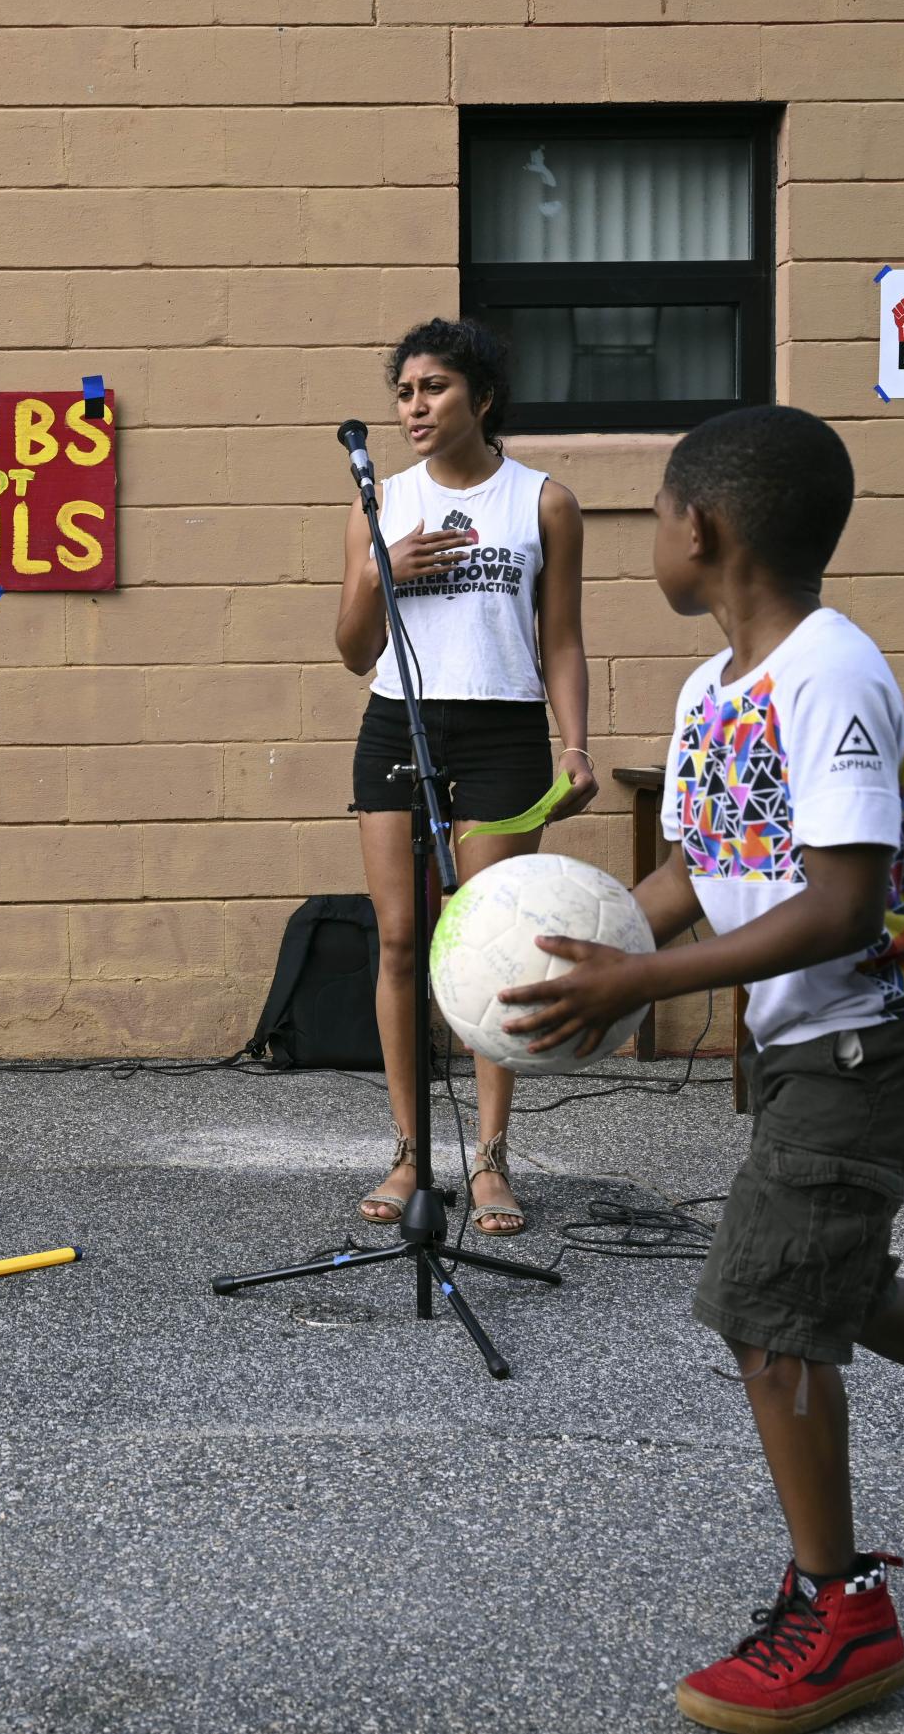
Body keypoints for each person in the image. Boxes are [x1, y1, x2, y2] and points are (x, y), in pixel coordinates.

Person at [501, 405, 904, 1733]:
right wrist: (588, 958)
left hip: (883, 1015)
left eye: (658, 516)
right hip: (810, 1024)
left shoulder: (829, 671)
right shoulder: (710, 686)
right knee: (819, 1265)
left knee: (765, 1298)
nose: (651, 539)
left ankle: (840, 1613)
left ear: (703, 528)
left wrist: (642, 986)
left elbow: (843, 901)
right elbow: (697, 867)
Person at [335, 316, 597, 1237]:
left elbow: (559, 637)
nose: (414, 406)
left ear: (481, 397)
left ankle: (490, 1157)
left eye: (434, 388)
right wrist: (380, 572)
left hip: (502, 731)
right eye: (404, 392)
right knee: (402, 942)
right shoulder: (383, 505)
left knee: (490, 946)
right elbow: (351, 649)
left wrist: (575, 744)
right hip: (397, 720)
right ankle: (409, 1153)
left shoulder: (543, 502)